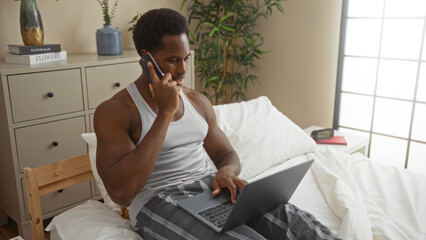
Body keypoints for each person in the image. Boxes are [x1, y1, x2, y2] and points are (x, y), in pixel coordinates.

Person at [94, 8, 338, 240]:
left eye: (186, 59)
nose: (183, 70)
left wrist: (225, 172)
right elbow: (122, 194)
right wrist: (165, 113)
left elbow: (227, 154)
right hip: (158, 201)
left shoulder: (197, 101)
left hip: (209, 188)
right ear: (146, 57)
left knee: (301, 225)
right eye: (173, 60)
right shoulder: (116, 111)